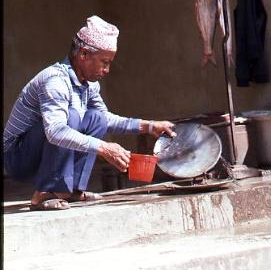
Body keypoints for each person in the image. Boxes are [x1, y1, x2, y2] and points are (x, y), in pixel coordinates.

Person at [3, 15, 176, 211]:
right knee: (72, 117)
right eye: (104, 62)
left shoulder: (89, 84)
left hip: (43, 149)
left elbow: (105, 119)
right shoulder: (55, 81)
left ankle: (73, 190)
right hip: (18, 157)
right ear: (83, 54)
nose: (107, 69)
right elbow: (55, 131)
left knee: (96, 118)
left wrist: (149, 126)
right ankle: (46, 192)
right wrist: (104, 147)